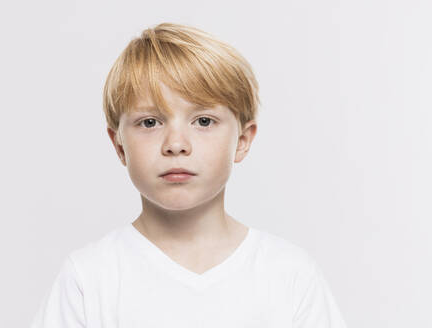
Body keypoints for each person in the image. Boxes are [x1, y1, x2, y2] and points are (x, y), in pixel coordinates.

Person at [30, 22, 347, 327]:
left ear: (243, 140)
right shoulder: (89, 278)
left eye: (204, 121)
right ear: (119, 145)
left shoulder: (289, 275)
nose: (176, 145)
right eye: (150, 122)